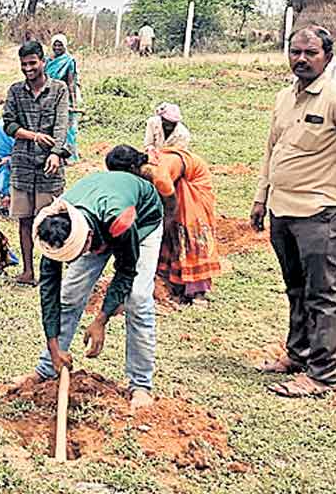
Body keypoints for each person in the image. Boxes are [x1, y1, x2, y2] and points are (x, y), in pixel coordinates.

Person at [251, 26, 336, 398]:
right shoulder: (283, 98)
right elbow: (271, 150)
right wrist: (261, 197)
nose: (301, 59)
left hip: (320, 211)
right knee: (295, 287)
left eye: (310, 53)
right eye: (295, 52)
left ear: (327, 56)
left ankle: (322, 374)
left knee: (322, 292)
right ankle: (298, 353)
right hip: (281, 209)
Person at [29, 170, 165, 412]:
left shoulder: (120, 220)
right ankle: (47, 368)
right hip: (99, 215)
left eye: (78, 254)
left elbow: (126, 270)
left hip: (141, 220)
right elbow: (49, 291)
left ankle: (141, 386)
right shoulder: (54, 227)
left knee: (138, 299)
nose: (74, 261)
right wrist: (54, 346)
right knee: (69, 295)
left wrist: (101, 319)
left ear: (88, 238)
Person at [107, 144, 220, 306]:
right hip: (175, 180)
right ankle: (174, 285)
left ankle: (197, 292)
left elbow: (170, 207)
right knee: (170, 233)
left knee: (188, 231)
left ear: (132, 168)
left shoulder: (158, 175)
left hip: (192, 180)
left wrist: (159, 230)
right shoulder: (140, 170)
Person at [3, 40, 70, 287]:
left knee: (51, 220)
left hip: (49, 166)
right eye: (24, 64)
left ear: (43, 62)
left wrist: (55, 153)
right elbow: (9, 124)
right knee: (25, 219)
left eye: (32, 63)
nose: (28, 68)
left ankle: (51, 274)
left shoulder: (59, 90)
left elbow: (62, 125)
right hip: (22, 164)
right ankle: (28, 271)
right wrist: (33, 136)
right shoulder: (15, 91)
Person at [45, 34, 80, 160]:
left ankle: (69, 156)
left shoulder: (69, 61)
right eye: (55, 45)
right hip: (49, 95)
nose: (57, 47)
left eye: (60, 45)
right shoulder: (47, 60)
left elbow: (71, 82)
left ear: (65, 46)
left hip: (64, 96)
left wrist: (73, 102)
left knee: (67, 126)